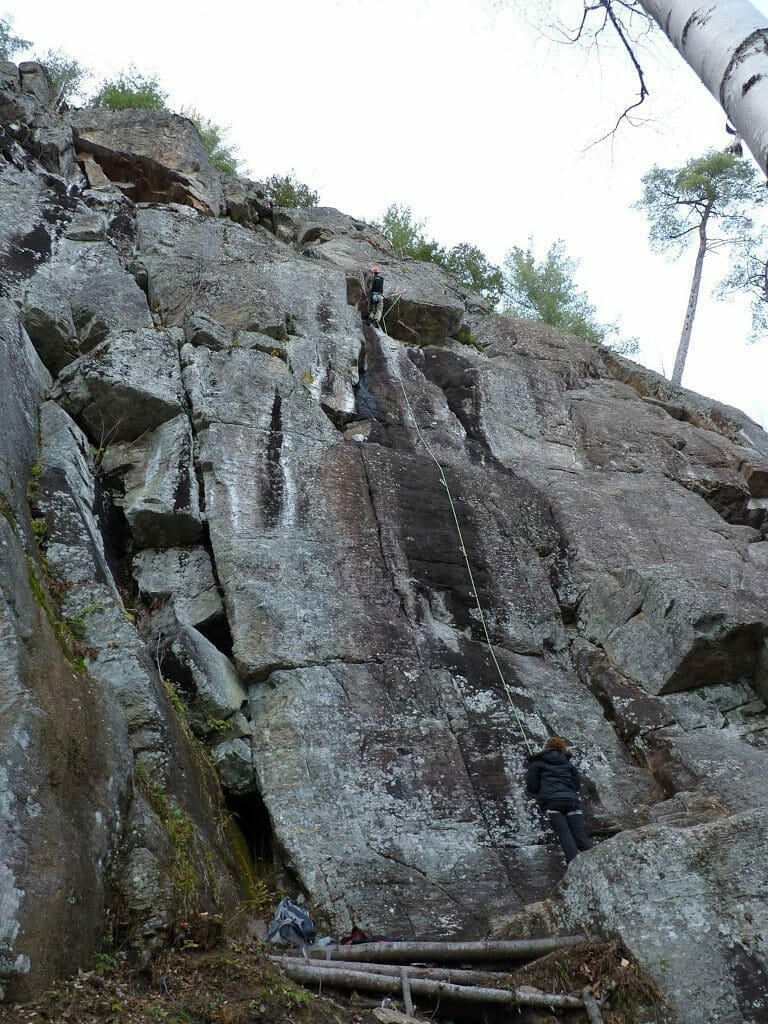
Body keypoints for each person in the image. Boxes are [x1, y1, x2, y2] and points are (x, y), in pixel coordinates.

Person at [526, 736, 593, 864]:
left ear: (545, 748)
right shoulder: (568, 764)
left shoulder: (537, 763)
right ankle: (593, 864)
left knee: (564, 833)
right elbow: (576, 784)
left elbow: (533, 786)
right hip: (572, 801)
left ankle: (574, 866)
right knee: (580, 834)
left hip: (552, 803)